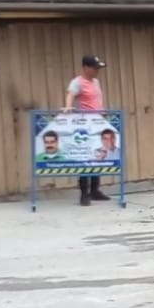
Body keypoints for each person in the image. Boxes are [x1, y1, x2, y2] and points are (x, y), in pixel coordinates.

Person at [62, 54, 110, 205]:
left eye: (98, 68)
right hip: (85, 125)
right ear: (86, 68)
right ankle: (84, 193)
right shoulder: (78, 82)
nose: (97, 71)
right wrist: (69, 107)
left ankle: (95, 190)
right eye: (95, 68)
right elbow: (70, 94)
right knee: (85, 158)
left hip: (98, 123)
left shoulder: (96, 81)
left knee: (97, 156)